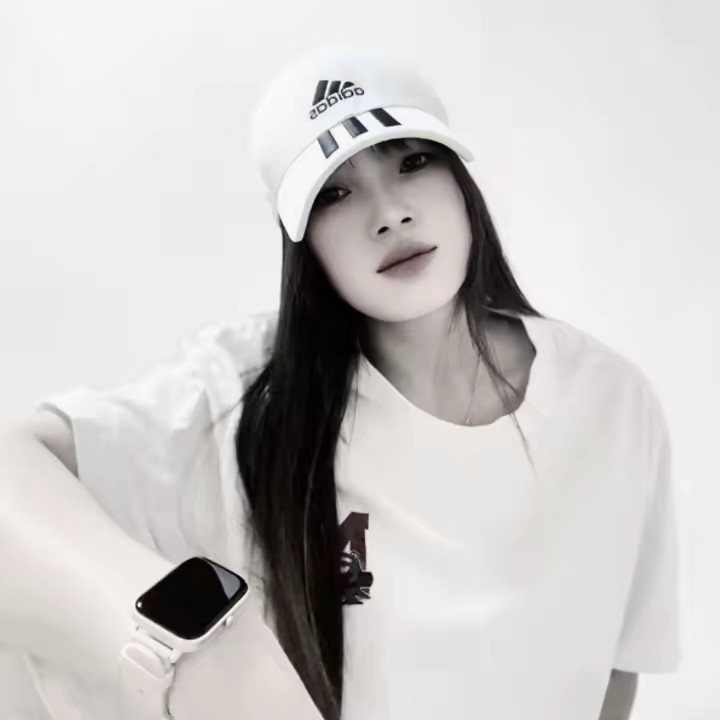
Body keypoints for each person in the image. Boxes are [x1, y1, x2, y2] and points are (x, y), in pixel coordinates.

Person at [0, 45, 680, 720]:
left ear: (460, 181)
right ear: (304, 245)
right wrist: (187, 648)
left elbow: (617, 664)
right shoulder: (251, 390)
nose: (389, 214)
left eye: (412, 161)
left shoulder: (610, 401)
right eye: (335, 193)